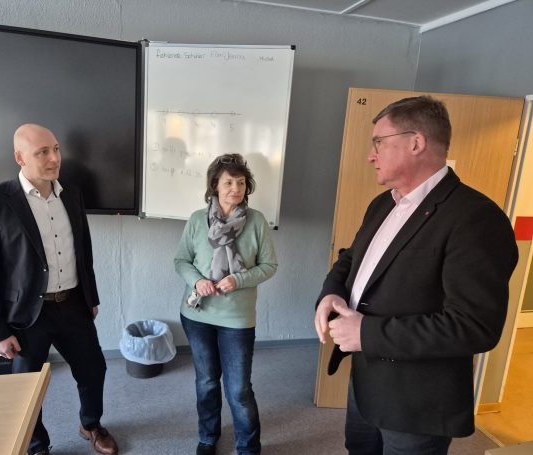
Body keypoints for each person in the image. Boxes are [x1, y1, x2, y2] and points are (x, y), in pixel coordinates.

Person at [314, 96, 518, 455]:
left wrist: (366, 332)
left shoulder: (475, 219)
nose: (371, 155)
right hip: (366, 381)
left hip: (416, 402)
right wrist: (331, 293)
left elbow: (474, 326)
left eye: (379, 142)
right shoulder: (382, 204)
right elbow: (351, 259)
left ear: (416, 143)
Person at [0, 124, 118, 455]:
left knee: (94, 369)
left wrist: (90, 297)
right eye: (43, 152)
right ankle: (36, 445)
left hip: (73, 304)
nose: (55, 158)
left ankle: (91, 424)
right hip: (27, 313)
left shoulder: (72, 194)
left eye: (56, 149)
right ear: (20, 158)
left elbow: (83, 252)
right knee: (27, 386)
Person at [175, 154, 278, 455]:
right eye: (229, 182)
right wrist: (197, 281)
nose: (236, 189)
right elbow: (181, 260)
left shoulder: (257, 221)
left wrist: (239, 279)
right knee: (206, 382)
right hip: (197, 314)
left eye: (241, 183)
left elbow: (270, 266)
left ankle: (248, 447)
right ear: (215, 186)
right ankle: (208, 437)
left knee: (239, 389)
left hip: (237, 319)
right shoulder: (197, 219)